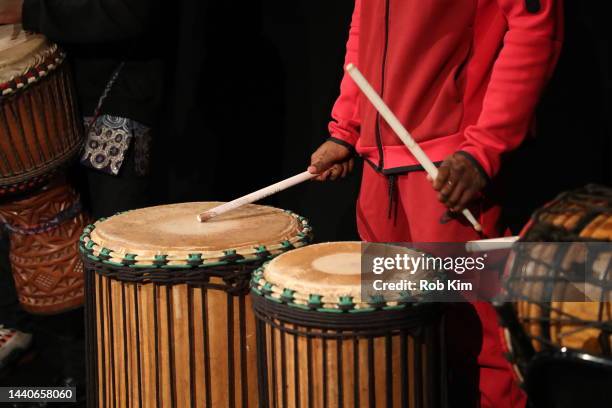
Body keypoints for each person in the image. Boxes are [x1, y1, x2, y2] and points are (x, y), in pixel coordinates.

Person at [309, 0, 563, 407]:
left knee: (484, 347)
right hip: (379, 174)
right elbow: (366, 27)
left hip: (448, 173)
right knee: (397, 343)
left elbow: (534, 29)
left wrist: (484, 149)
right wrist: (349, 127)